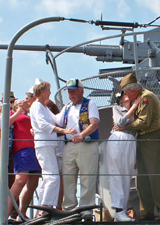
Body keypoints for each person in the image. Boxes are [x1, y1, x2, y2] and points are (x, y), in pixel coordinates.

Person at [117, 72, 160, 220]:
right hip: (143, 139)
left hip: (153, 138)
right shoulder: (140, 98)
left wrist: (124, 126)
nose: (126, 95)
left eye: (126, 92)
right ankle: (146, 211)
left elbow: (144, 122)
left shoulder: (146, 97)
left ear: (132, 90)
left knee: (156, 177)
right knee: (143, 178)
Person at [30, 80, 77, 215]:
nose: (50, 92)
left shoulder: (43, 107)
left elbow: (56, 118)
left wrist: (68, 107)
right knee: (53, 177)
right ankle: (46, 208)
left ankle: (42, 208)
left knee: (48, 177)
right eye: (48, 90)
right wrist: (64, 131)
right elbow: (42, 124)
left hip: (49, 144)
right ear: (42, 91)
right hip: (44, 144)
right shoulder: (36, 106)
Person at [55, 78, 99, 221]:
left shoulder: (90, 103)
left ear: (81, 91)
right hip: (69, 145)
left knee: (87, 177)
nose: (71, 94)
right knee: (68, 177)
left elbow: (94, 123)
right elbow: (56, 120)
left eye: (73, 91)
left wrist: (81, 135)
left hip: (86, 144)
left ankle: (86, 210)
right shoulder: (66, 107)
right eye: (69, 92)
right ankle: (70, 209)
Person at [106, 91, 141, 221]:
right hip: (117, 138)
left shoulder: (137, 111)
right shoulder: (116, 108)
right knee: (116, 173)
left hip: (131, 139)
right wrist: (134, 106)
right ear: (120, 100)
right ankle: (118, 209)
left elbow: (137, 126)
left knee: (127, 174)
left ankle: (122, 211)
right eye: (122, 95)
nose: (125, 96)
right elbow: (120, 122)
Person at [7, 97, 41, 220]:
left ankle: (22, 213)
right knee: (20, 180)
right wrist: (19, 111)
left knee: (33, 184)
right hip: (23, 148)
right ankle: (4, 213)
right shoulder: (13, 114)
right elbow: (7, 123)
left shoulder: (31, 115)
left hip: (36, 149)